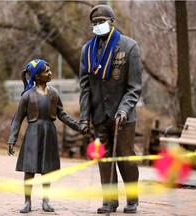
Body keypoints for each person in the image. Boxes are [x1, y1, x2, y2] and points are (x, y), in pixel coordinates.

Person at [79, 5, 142, 214]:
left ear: (112, 21)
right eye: (94, 23)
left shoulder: (129, 46)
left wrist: (124, 109)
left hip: (123, 116)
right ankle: (109, 201)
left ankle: (132, 199)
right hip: (99, 115)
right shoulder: (87, 50)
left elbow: (134, 87)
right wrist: (84, 117)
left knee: (125, 158)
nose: (97, 25)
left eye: (101, 21)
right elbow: (85, 87)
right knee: (104, 160)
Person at [8, 59, 87, 213]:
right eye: (46, 71)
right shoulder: (27, 96)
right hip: (32, 134)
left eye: (50, 70)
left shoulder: (54, 93)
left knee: (47, 170)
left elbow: (62, 114)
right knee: (29, 170)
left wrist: (78, 126)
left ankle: (45, 201)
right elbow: (18, 119)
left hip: (49, 133)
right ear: (37, 76)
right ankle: (27, 202)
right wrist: (12, 139)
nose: (50, 73)